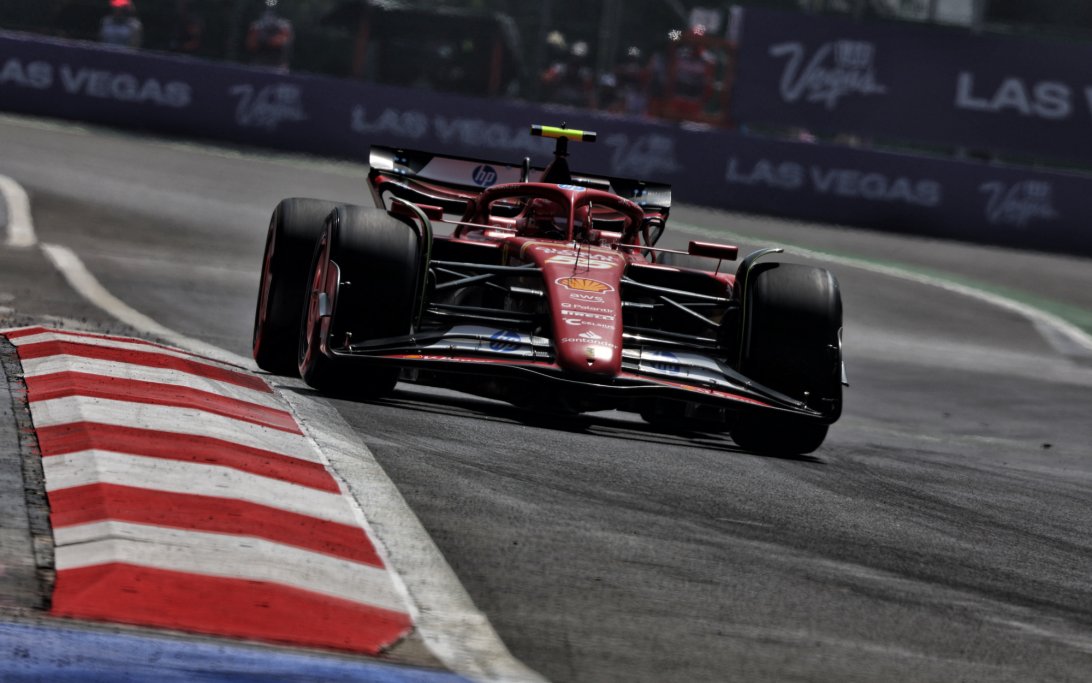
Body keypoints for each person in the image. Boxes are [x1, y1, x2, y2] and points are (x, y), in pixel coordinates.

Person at [245, 0, 294, 71]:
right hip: (257, 65)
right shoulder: (257, 26)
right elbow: (251, 44)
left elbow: (281, 42)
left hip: (277, 67)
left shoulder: (284, 26)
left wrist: (264, 39)